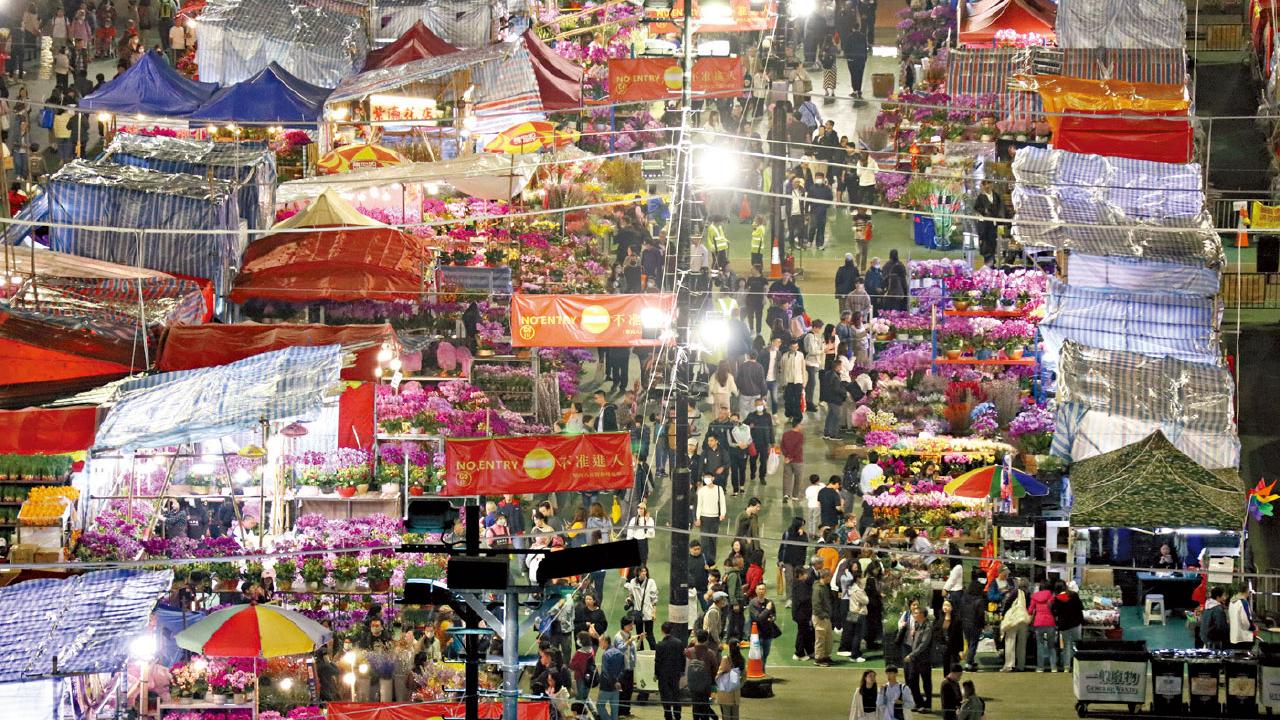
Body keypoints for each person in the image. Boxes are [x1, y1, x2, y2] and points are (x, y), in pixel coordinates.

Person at [685, 630, 719, 720]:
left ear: (696, 638)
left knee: (695, 706)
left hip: (693, 684)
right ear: (707, 640)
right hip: (706, 685)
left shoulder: (689, 651)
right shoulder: (710, 653)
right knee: (705, 706)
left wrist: (690, 645)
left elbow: (684, 654)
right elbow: (715, 669)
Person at [905, 607, 934, 711]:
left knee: (926, 682)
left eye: (916, 613)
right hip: (915, 659)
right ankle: (919, 703)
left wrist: (911, 655)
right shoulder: (917, 625)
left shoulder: (928, 627)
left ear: (922, 615)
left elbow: (923, 644)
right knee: (912, 681)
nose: (914, 614)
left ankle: (927, 705)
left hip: (923, 659)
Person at [655, 623, 685, 720]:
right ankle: (677, 715)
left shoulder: (660, 645)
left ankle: (668, 715)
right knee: (676, 694)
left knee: (665, 695)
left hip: (663, 674)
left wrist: (656, 673)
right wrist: (682, 670)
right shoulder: (679, 643)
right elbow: (682, 658)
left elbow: (657, 661)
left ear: (662, 631)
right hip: (675, 673)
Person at [1053, 580, 1084, 671]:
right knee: (1076, 645)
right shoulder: (1074, 595)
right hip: (1076, 624)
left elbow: (1055, 612)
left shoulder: (1057, 598)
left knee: (1067, 645)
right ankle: (1078, 665)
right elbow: (1080, 608)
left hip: (1064, 626)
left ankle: (1066, 667)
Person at [625, 566, 659, 650]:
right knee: (639, 634)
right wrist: (628, 600)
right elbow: (631, 595)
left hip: (648, 611)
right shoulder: (633, 582)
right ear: (638, 572)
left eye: (645, 571)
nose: (644, 573)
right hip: (637, 612)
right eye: (642, 571)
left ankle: (654, 651)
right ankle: (640, 651)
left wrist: (654, 612)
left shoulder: (651, 582)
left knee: (649, 634)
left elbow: (654, 598)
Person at [1000, 578, 1031, 672]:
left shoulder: (1016, 592)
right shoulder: (1028, 594)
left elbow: (1008, 602)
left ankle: (1009, 665)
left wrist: (1004, 614)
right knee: (1022, 644)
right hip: (1024, 620)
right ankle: (1021, 665)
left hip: (1014, 620)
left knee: (1010, 642)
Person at [973, 180, 1005, 265]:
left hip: (995, 223)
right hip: (985, 225)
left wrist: (1001, 222)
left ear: (992, 185)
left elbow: (1001, 209)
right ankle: (988, 262)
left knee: (995, 242)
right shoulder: (980, 197)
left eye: (989, 183)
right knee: (986, 243)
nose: (987, 186)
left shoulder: (997, 196)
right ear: (982, 186)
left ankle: (994, 261)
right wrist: (984, 212)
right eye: (985, 184)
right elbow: (976, 208)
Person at [747, 583, 779, 669]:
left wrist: (772, 618)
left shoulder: (770, 602)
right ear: (756, 591)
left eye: (763, 589)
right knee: (759, 655)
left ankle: (762, 670)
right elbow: (758, 618)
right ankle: (761, 672)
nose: (761, 591)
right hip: (757, 633)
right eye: (759, 589)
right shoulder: (753, 603)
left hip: (767, 633)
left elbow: (774, 615)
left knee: (765, 654)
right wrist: (767, 609)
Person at [1029, 580, 1058, 672]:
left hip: (1038, 622)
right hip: (1050, 622)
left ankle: (1040, 667)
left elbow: (1030, 610)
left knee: (1040, 646)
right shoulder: (1052, 596)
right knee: (1051, 646)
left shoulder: (1035, 596)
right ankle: (1053, 667)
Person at [792, 561, 817, 659]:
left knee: (807, 632)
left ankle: (810, 651)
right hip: (801, 613)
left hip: (803, 613)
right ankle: (799, 653)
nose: (807, 575)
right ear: (800, 575)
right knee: (802, 633)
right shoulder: (799, 584)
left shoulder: (799, 583)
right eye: (805, 574)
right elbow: (804, 598)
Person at [596, 634, 623, 720]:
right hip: (617, 686)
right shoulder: (620, 653)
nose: (599, 644)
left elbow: (605, 672)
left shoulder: (606, 655)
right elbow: (623, 670)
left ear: (605, 642)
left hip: (606, 686)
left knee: (600, 706)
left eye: (600, 642)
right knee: (615, 709)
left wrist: (613, 682)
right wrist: (617, 681)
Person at [960, 580, 986, 671]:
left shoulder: (964, 598)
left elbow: (961, 611)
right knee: (973, 644)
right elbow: (980, 614)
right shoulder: (979, 600)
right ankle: (969, 664)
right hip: (975, 624)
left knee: (969, 642)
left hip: (965, 624)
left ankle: (970, 661)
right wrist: (983, 625)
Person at [812, 567, 835, 665]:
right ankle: (819, 658)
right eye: (830, 576)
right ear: (825, 576)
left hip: (825, 616)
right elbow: (816, 605)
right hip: (820, 617)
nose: (830, 578)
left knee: (828, 638)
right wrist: (823, 615)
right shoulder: (818, 589)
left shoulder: (824, 586)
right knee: (820, 639)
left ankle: (825, 656)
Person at [780, 339, 806, 422]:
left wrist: (804, 382)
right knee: (789, 400)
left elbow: (803, 369)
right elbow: (782, 368)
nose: (794, 349)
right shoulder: (785, 356)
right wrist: (782, 383)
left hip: (798, 381)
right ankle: (790, 415)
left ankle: (797, 417)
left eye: (796, 347)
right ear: (789, 347)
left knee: (797, 400)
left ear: (798, 347)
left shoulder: (800, 355)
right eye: (792, 347)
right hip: (788, 382)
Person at [780, 418, 805, 503]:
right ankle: (795, 496)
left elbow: (782, 446)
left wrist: (787, 457)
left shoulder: (785, 434)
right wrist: (790, 457)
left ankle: (786, 494)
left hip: (787, 460)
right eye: (801, 424)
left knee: (787, 477)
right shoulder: (800, 436)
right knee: (798, 478)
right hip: (797, 460)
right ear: (797, 425)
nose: (802, 426)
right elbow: (797, 448)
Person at [937, 599, 963, 675]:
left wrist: (961, 650)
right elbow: (937, 632)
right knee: (946, 668)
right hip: (944, 648)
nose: (945, 607)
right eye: (944, 605)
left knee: (953, 668)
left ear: (952, 607)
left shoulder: (957, 620)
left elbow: (960, 635)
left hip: (954, 648)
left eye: (947, 605)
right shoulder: (940, 618)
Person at [1201, 586, 1229, 650]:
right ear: (1218, 597)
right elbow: (1221, 626)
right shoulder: (1218, 609)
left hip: (1206, 637)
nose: (1224, 598)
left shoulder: (1208, 605)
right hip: (1214, 640)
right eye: (1223, 596)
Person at [1229, 585, 1255, 649]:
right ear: (1246, 591)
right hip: (1243, 638)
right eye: (1248, 592)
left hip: (1234, 637)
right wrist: (1252, 628)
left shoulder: (1232, 602)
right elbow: (1245, 620)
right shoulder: (1243, 602)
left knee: (1236, 657)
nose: (1248, 594)